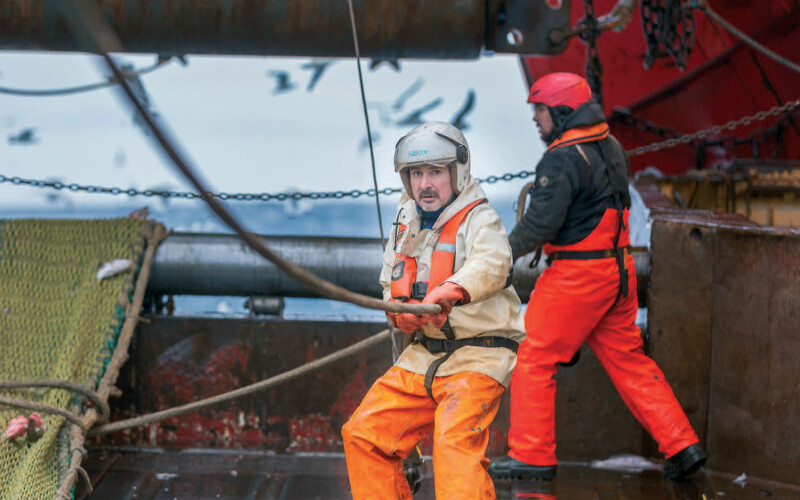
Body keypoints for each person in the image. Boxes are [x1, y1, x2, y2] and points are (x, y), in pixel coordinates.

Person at [489, 73, 707, 481]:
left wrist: (494, 256)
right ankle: (682, 446)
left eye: (540, 109)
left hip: (578, 276)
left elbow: (539, 226)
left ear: (561, 111)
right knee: (630, 362)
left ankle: (532, 457)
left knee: (533, 355)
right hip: (618, 272)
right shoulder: (611, 146)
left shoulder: (561, 158)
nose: (535, 118)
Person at [341, 121, 526, 499]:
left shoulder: (480, 219)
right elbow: (388, 283)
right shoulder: (405, 222)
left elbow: (493, 262)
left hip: (479, 355)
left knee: (454, 448)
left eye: (436, 172)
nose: (425, 183)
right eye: (416, 174)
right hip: (425, 354)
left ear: (457, 174)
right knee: (364, 435)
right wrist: (401, 314)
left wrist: (452, 291)